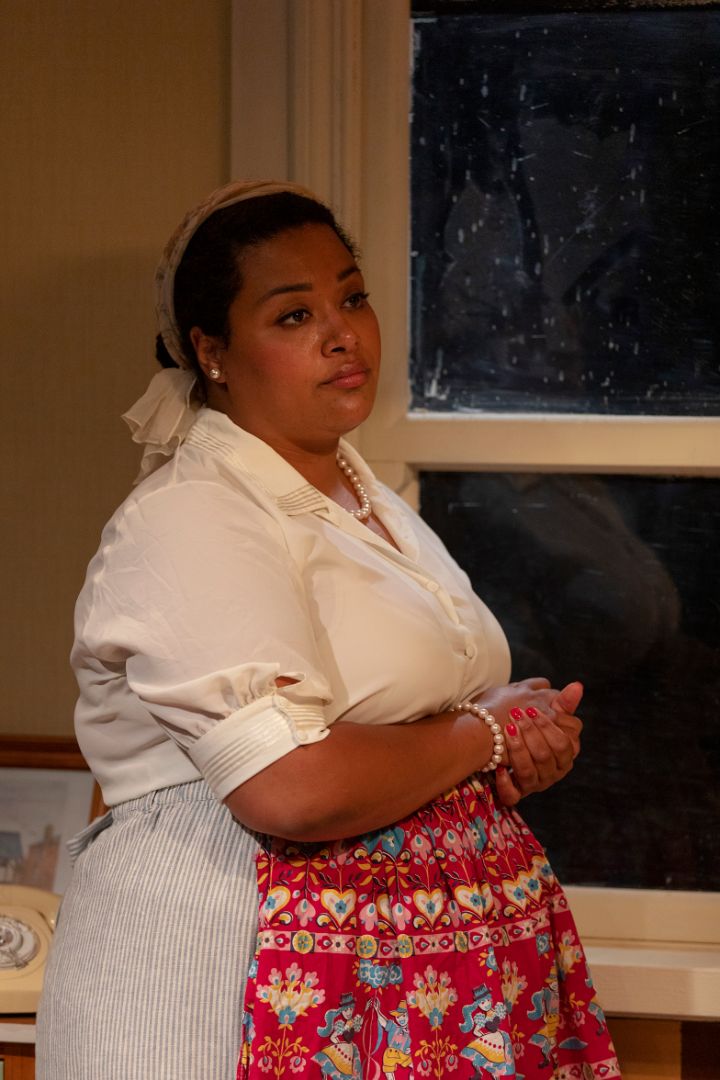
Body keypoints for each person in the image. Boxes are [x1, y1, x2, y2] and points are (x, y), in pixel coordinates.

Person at [36, 180, 621, 1079]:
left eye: (352, 298)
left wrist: (513, 739)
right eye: (293, 315)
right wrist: (484, 733)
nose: (343, 334)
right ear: (211, 350)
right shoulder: (192, 515)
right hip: (223, 970)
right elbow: (291, 788)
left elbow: (427, 725)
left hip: (414, 978)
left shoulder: (367, 500)